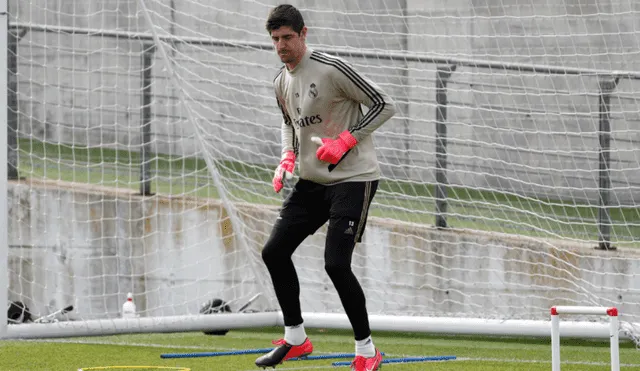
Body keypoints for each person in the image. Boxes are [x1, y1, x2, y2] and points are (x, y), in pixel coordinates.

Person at [255, 4, 396, 371]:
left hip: (354, 179)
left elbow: (385, 104)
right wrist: (287, 157)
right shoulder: (280, 81)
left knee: (335, 263)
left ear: (303, 34)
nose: (281, 45)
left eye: (287, 37)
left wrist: (347, 139)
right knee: (274, 251)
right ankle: (296, 339)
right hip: (313, 181)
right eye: (275, 39)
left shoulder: (332, 69)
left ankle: (367, 351)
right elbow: (288, 122)